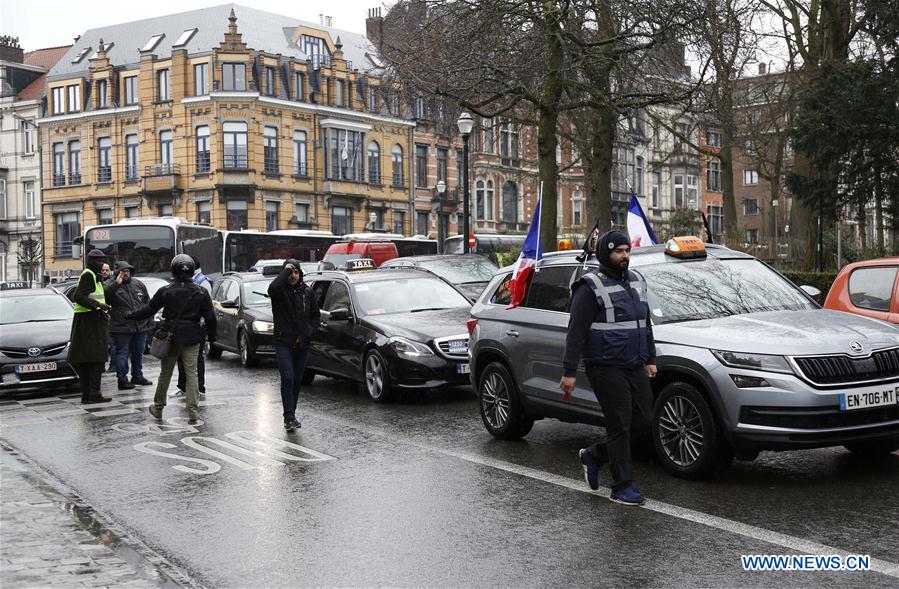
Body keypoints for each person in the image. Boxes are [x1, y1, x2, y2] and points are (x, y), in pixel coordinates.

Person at [559, 230, 657, 506]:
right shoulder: (589, 287)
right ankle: (622, 486)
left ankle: (594, 455)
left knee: (644, 421)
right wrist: (569, 372)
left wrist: (650, 358)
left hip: (634, 364)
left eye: (627, 250)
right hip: (604, 366)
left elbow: (644, 323)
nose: (624, 256)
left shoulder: (637, 281)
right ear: (605, 254)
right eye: (618, 251)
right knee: (619, 425)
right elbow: (575, 332)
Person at [127, 255, 217, 425]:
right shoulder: (201, 292)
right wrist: (211, 336)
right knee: (192, 374)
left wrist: (130, 316)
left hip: (170, 336)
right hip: (192, 336)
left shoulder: (166, 290)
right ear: (191, 271)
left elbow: (148, 309)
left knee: (165, 373)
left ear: (173, 270)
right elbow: (210, 318)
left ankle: (158, 407)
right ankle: (193, 412)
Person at [267, 258, 319, 431]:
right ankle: (288, 417)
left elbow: (315, 316)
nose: (293, 276)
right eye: (290, 272)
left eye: (296, 272)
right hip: (283, 342)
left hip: (302, 343)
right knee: (287, 378)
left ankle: (292, 415)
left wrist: (310, 332)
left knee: (297, 381)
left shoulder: (307, 292)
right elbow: (272, 288)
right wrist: (285, 271)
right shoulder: (280, 292)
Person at [68, 250, 112, 404]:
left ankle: (88, 394)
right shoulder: (89, 275)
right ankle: (93, 394)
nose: (100, 264)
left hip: (89, 321)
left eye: (102, 260)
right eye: (97, 261)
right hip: (89, 323)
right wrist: (99, 305)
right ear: (90, 261)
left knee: (89, 360)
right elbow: (78, 297)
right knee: (96, 360)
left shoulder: (95, 275)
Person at [104, 261, 153, 390]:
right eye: (122, 271)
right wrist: (116, 284)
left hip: (140, 326)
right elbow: (105, 297)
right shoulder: (110, 284)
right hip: (120, 327)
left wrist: (150, 320)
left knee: (138, 353)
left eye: (127, 271)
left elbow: (148, 303)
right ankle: (122, 379)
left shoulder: (138, 284)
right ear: (117, 273)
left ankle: (137, 376)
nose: (125, 274)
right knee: (122, 354)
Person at [173, 259, 212, 397]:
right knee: (182, 359)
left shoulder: (202, 282)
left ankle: (199, 388)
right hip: (185, 327)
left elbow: (207, 308)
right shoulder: (184, 282)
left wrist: (211, 334)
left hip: (197, 326)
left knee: (197, 360)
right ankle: (183, 387)